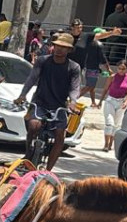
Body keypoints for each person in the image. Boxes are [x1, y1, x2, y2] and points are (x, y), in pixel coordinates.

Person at [14, 32, 81, 171]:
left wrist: (73, 102)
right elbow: (31, 79)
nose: (59, 49)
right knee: (33, 126)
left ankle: (49, 170)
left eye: (63, 47)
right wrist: (22, 95)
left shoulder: (74, 67)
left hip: (59, 107)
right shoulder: (43, 60)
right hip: (40, 103)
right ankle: (28, 154)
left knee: (60, 136)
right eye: (57, 46)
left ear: (69, 50)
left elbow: (75, 88)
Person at [101, 60, 127, 152]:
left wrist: (126, 102)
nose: (121, 71)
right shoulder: (112, 77)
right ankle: (106, 144)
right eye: (119, 68)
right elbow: (105, 89)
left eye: (123, 69)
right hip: (110, 101)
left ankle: (111, 144)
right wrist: (100, 101)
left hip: (121, 102)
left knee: (117, 125)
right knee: (109, 123)